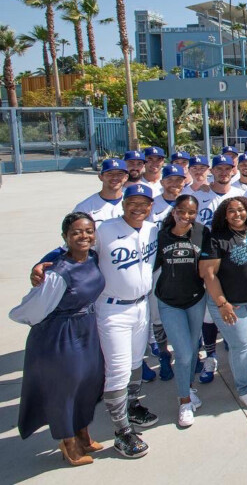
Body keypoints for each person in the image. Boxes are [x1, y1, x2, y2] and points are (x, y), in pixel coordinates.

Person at [13, 213, 106, 466]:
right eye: (76, 232)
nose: (84, 236)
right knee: (65, 389)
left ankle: (82, 432)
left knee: (89, 382)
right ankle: (68, 442)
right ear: (65, 237)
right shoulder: (58, 271)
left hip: (87, 328)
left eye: (88, 231)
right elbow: (33, 308)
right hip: (60, 334)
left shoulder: (94, 258)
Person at [92, 185, 159, 457]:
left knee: (134, 363)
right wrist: (44, 264)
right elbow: (71, 248)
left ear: (150, 206)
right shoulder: (103, 229)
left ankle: (132, 407)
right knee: (118, 370)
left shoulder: (152, 229)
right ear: (123, 203)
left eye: (144, 203)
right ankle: (122, 432)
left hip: (141, 306)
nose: (138, 208)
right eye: (132, 202)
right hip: (112, 309)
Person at [200, 196, 247, 410]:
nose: (237, 214)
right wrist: (222, 303)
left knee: (244, 343)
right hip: (231, 304)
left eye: (241, 210)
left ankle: (242, 370)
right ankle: (245, 388)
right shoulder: (217, 238)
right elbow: (208, 274)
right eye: (231, 211)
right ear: (224, 215)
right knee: (242, 344)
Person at [152, 194, 207, 427]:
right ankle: (184, 401)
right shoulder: (160, 236)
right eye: (181, 211)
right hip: (169, 302)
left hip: (195, 299)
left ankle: (189, 388)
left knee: (193, 350)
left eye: (191, 213)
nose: (186, 216)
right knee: (183, 354)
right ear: (173, 212)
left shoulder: (202, 233)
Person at [74, 158, 127, 225]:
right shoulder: (84, 207)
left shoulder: (133, 204)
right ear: (100, 176)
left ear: (126, 177)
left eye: (120, 174)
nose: (115, 177)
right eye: (110, 173)